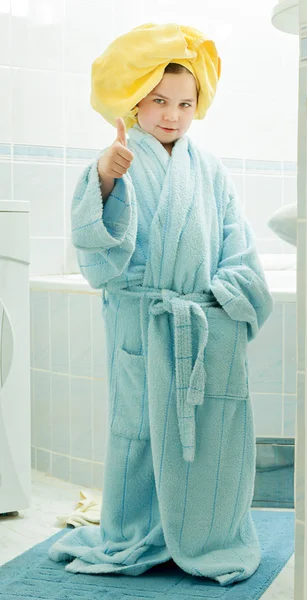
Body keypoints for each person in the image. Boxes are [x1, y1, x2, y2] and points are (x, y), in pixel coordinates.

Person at [49, 22, 273, 586]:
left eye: (185, 103)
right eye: (159, 101)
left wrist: (222, 301)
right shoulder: (120, 159)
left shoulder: (211, 170)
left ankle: (202, 532)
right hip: (143, 326)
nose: (172, 114)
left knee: (206, 432)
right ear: (136, 101)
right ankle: (135, 533)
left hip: (198, 327)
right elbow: (99, 250)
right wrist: (104, 177)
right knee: (137, 433)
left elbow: (237, 246)